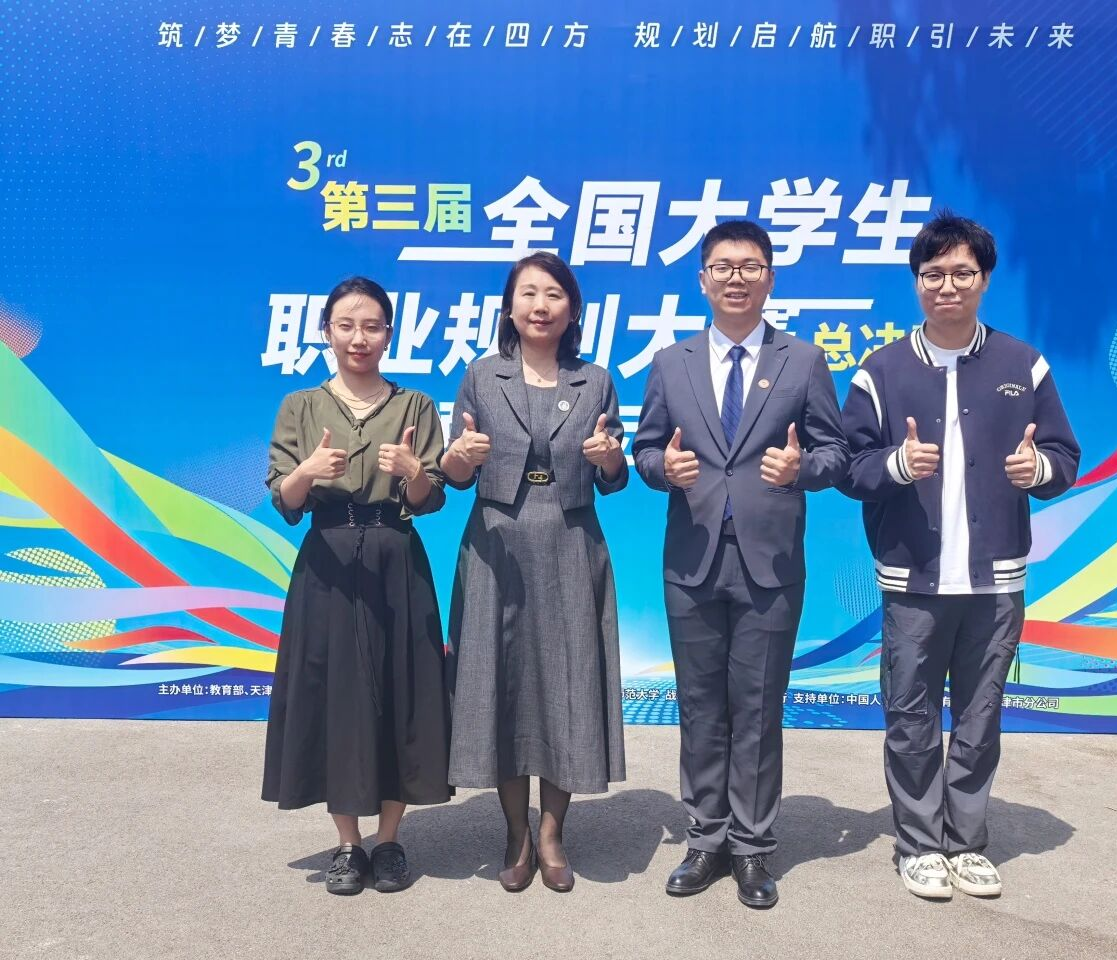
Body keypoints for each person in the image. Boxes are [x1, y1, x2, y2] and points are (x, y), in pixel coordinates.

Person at [838, 211, 1080, 900]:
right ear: (916, 282)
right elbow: (848, 465)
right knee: (910, 713)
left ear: (985, 279)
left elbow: (1064, 456)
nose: (948, 286)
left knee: (980, 714)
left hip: (994, 579)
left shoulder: (1022, 364)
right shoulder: (881, 370)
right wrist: (897, 464)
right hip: (913, 577)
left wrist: (1038, 468)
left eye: (962, 273)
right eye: (933, 274)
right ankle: (919, 844)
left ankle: (965, 841)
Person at [632, 220, 850, 909]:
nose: (736, 277)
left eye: (750, 266)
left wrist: (802, 469)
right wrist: (662, 469)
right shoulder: (671, 362)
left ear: (769, 278)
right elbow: (644, 450)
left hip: (770, 564)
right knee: (700, 706)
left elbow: (835, 454)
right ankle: (704, 839)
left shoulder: (802, 360)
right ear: (702, 279)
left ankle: (753, 847)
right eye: (723, 266)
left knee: (756, 709)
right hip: (692, 561)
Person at [261, 276, 452, 896]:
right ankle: (348, 845)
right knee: (335, 697)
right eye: (346, 325)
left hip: (397, 557)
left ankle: (390, 840)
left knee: (402, 692)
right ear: (327, 332)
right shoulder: (300, 406)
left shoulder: (416, 405)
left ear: (389, 334)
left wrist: (415, 472)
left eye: (371, 326)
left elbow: (429, 499)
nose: (358, 338)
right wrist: (307, 472)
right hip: (328, 560)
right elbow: (284, 500)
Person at [443, 251, 627, 894]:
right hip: (497, 543)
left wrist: (608, 458)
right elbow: (453, 473)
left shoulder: (594, 380)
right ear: (509, 307)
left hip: (571, 542)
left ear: (572, 309)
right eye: (528, 293)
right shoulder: (481, 375)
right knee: (503, 684)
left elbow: (615, 477)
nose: (540, 305)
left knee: (566, 686)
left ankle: (551, 834)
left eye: (553, 294)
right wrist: (461, 456)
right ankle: (515, 833)